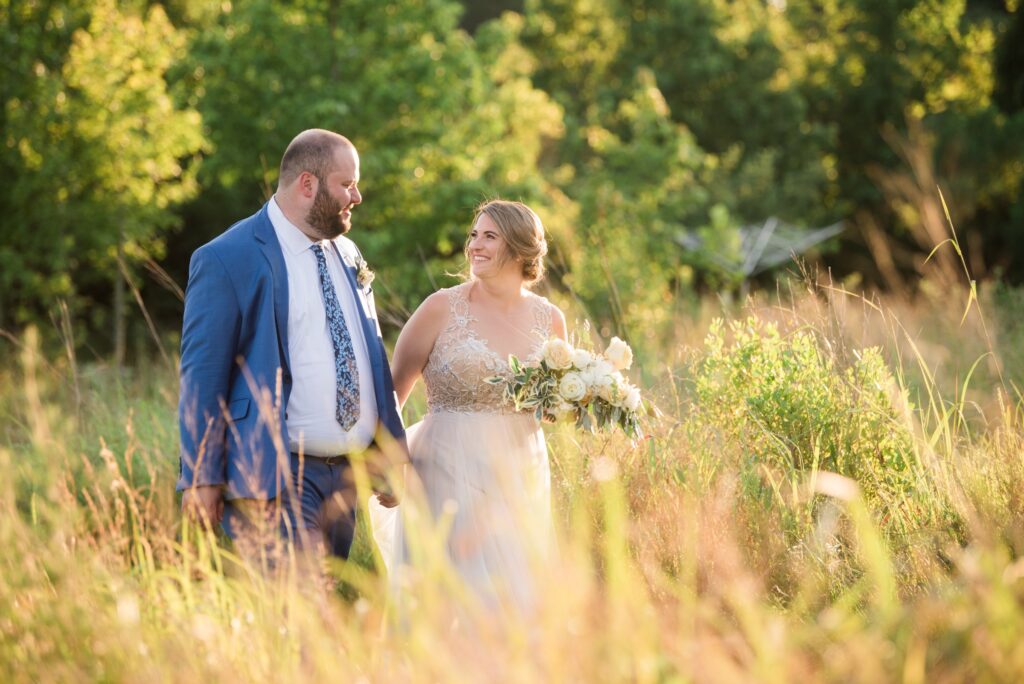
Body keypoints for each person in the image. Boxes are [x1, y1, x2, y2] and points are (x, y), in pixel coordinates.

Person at [177, 128, 405, 564]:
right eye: (347, 183)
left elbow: (370, 355)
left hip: (348, 477)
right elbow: (202, 377)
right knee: (300, 604)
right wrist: (200, 477)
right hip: (277, 476)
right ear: (308, 184)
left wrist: (389, 453)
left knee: (329, 609)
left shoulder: (349, 253)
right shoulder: (228, 256)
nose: (357, 196)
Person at [374, 199, 567, 614]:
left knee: (512, 601)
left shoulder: (550, 320)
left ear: (518, 248)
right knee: (446, 599)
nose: (475, 246)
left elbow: (550, 407)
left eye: (490, 237)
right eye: (474, 235)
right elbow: (390, 395)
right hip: (444, 472)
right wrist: (388, 465)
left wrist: (584, 398)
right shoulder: (441, 307)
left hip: (517, 475)